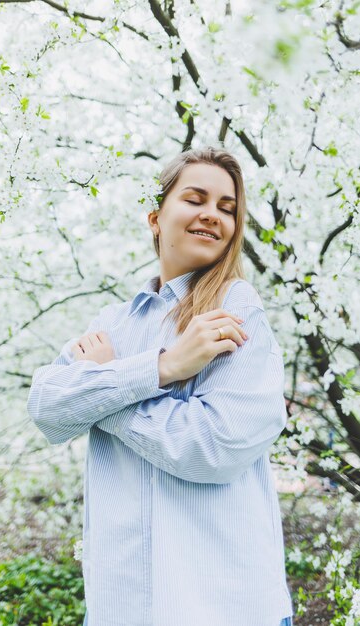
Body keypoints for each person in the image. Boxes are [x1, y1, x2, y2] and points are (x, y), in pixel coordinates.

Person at [27, 146, 294, 626]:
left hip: (222, 605)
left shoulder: (234, 311)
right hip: (121, 604)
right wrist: (163, 368)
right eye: (196, 199)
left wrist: (105, 393)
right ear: (156, 217)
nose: (212, 215)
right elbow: (46, 406)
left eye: (227, 208)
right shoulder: (114, 322)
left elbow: (214, 447)